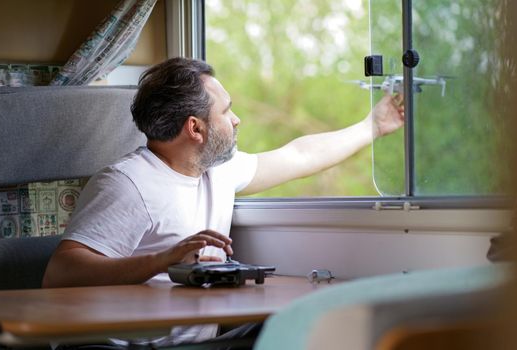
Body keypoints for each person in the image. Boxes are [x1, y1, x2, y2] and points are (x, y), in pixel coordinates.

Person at [42, 57, 404, 346]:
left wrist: (372, 126)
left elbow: (300, 156)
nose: (237, 119)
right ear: (195, 128)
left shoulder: (218, 169)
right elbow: (59, 275)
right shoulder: (127, 184)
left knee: (306, 332)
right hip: (119, 346)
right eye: (227, 111)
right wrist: (161, 261)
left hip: (197, 342)